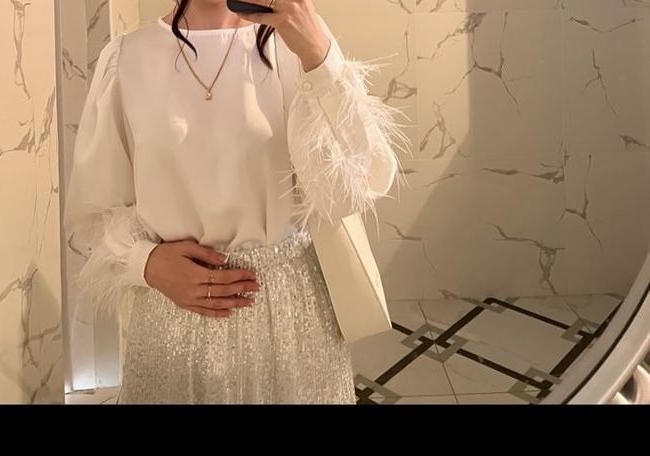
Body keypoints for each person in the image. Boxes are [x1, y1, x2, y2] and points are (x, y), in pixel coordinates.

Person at [63, 0, 411, 404]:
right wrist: (145, 262)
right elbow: (94, 211)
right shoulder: (128, 58)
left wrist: (320, 57)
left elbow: (357, 185)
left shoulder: (295, 43)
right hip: (173, 317)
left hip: (291, 313)